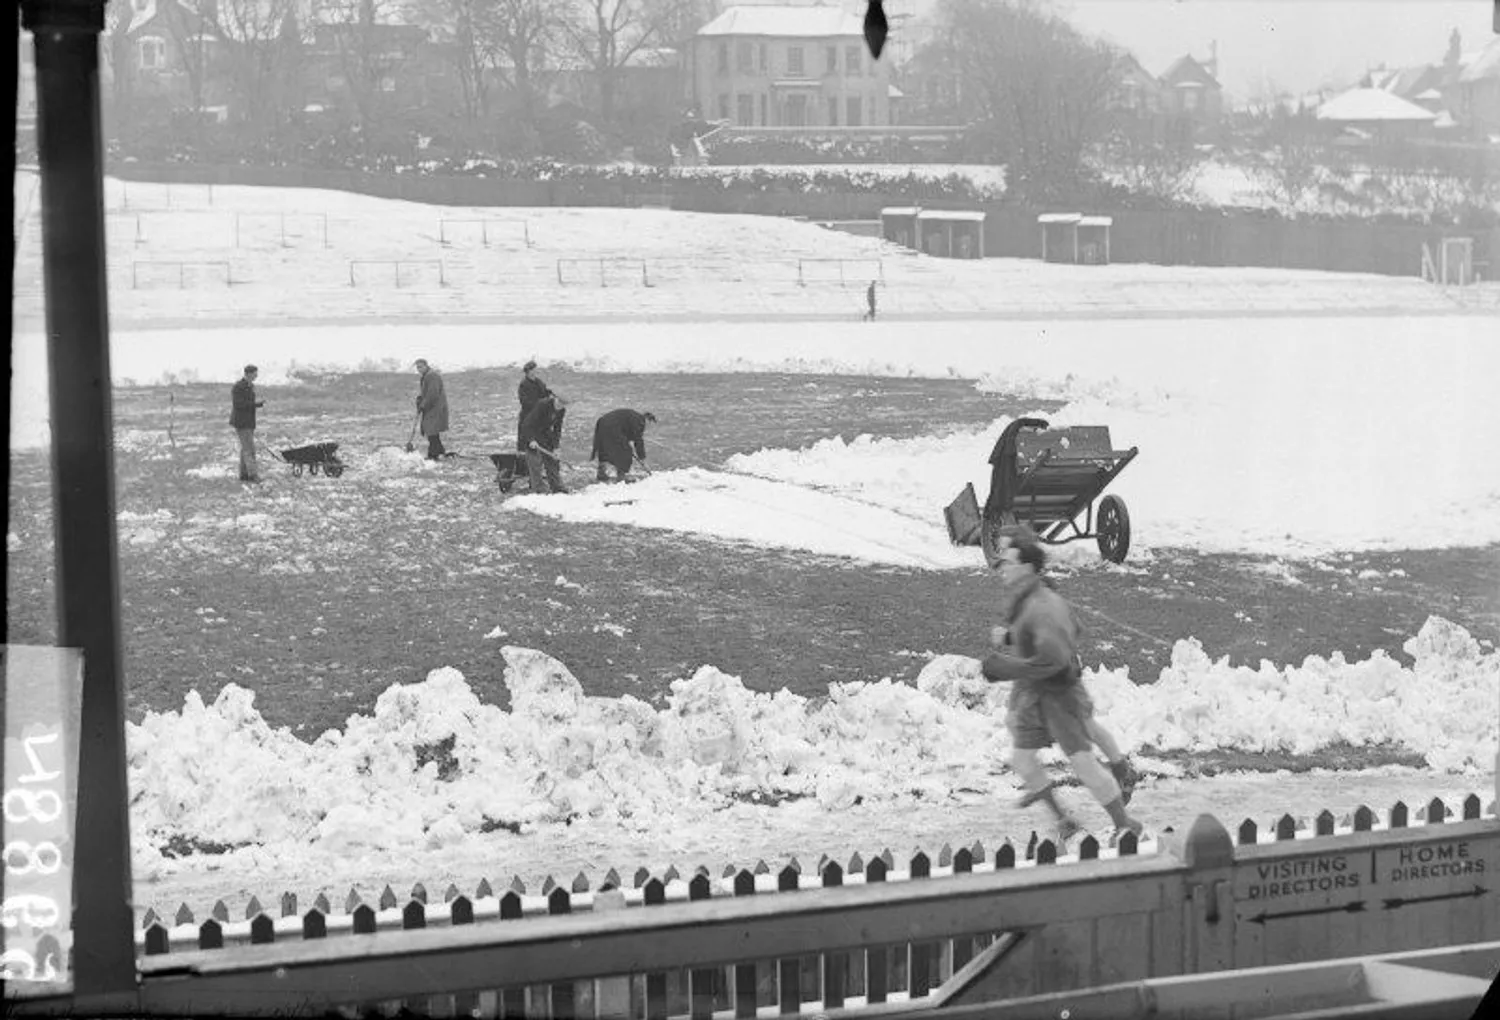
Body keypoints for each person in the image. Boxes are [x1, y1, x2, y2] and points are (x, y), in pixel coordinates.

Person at [980, 525, 1142, 842]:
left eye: (1008, 562)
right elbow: (1051, 636)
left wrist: (1006, 667)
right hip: (1035, 695)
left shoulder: (1043, 606)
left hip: (1059, 697)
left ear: (1027, 567)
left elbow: (1053, 660)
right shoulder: (1026, 599)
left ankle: (1125, 823)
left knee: (1084, 764)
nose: (1001, 568)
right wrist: (1013, 640)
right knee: (1023, 760)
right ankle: (1063, 819)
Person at [590, 408, 657, 483]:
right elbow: (638, 441)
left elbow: (626, 431)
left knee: (604, 447)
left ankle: (601, 473)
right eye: (650, 425)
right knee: (625, 451)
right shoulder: (640, 421)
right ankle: (621, 476)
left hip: (602, 422)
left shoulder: (634, 417)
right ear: (648, 420)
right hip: (612, 426)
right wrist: (643, 459)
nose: (647, 428)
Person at [520, 393, 568, 494]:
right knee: (535, 463)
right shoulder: (542, 405)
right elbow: (527, 424)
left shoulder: (561, 411)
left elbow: (557, 429)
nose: (560, 406)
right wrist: (531, 440)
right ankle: (539, 489)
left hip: (545, 435)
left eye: (563, 404)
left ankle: (557, 487)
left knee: (553, 460)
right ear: (555, 398)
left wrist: (556, 447)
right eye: (559, 402)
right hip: (531, 433)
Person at [229, 364, 265, 484]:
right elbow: (238, 404)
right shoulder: (238, 387)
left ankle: (244, 474)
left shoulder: (250, 386)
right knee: (249, 449)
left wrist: (256, 405)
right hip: (242, 422)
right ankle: (253, 475)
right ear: (248, 374)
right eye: (255, 373)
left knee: (245, 448)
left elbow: (247, 403)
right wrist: (255, 404)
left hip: (248, 422)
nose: (256, 376)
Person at [414, 359, 450, 461]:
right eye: (417, 367)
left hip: (435, 408)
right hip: (431, 408)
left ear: (426, 365)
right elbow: (426, 392)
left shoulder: (432, 376)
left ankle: (434, 454)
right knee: (432, 431)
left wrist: (423, 405)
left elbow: (432, 394)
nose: (419, 369)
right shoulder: (426, 376)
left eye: (421, 367)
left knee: (431, 430)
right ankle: (439, 452)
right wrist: (420, 399)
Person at [516, 360, 551, 451]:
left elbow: (545, 392)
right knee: (524, 439)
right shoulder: (523, 384)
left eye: (536, 369)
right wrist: (539, 405)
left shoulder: (539, 382)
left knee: (540, 437)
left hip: (538, 415)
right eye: (534, 370)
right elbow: (524, 401)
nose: (536, 371)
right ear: (529, 371)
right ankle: (522, 454)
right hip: (527, 414)